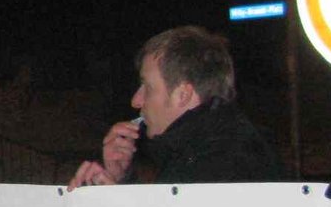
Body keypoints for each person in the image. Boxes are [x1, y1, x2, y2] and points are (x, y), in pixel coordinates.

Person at [67, 26, 279, 189]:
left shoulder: (220, 161)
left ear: (183, 95)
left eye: (147, 88)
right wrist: (121, 179)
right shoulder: (205, 147)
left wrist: (117, 205)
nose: (136, 101)